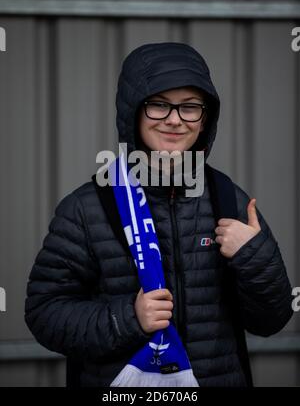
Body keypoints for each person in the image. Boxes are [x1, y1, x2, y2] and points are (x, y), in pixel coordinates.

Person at [25, 42, 294, 387]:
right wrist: (127, 318)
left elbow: (271, 320)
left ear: (205, 119)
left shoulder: (228, 199)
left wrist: (253, 256)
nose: (174, 120)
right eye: (159, 105)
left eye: (190, 107)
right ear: (133, 112)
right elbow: (44, 314)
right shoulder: (87, 207)